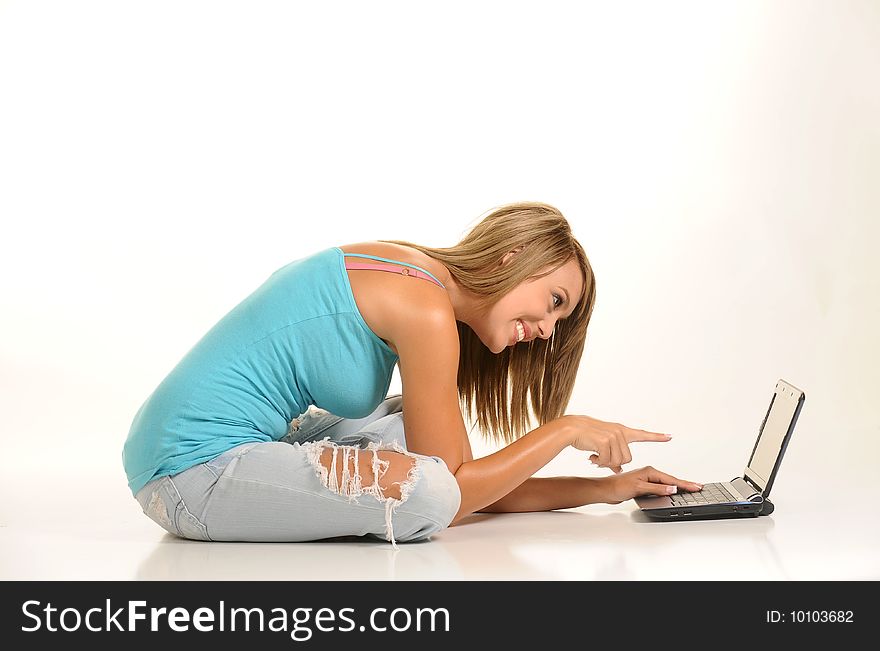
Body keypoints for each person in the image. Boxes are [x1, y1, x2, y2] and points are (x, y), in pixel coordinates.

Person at [123, 201, 702, 549]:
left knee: (412, 436)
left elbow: (473, 486)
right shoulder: (425, 311)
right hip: (187, 476)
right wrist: (563, 429)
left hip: (230, 445)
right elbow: (449, 495)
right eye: (553, 300)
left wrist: (606, 490)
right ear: (511, 259)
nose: (548, 329)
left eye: (559, 318)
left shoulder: (413, 271)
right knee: (426, 492)